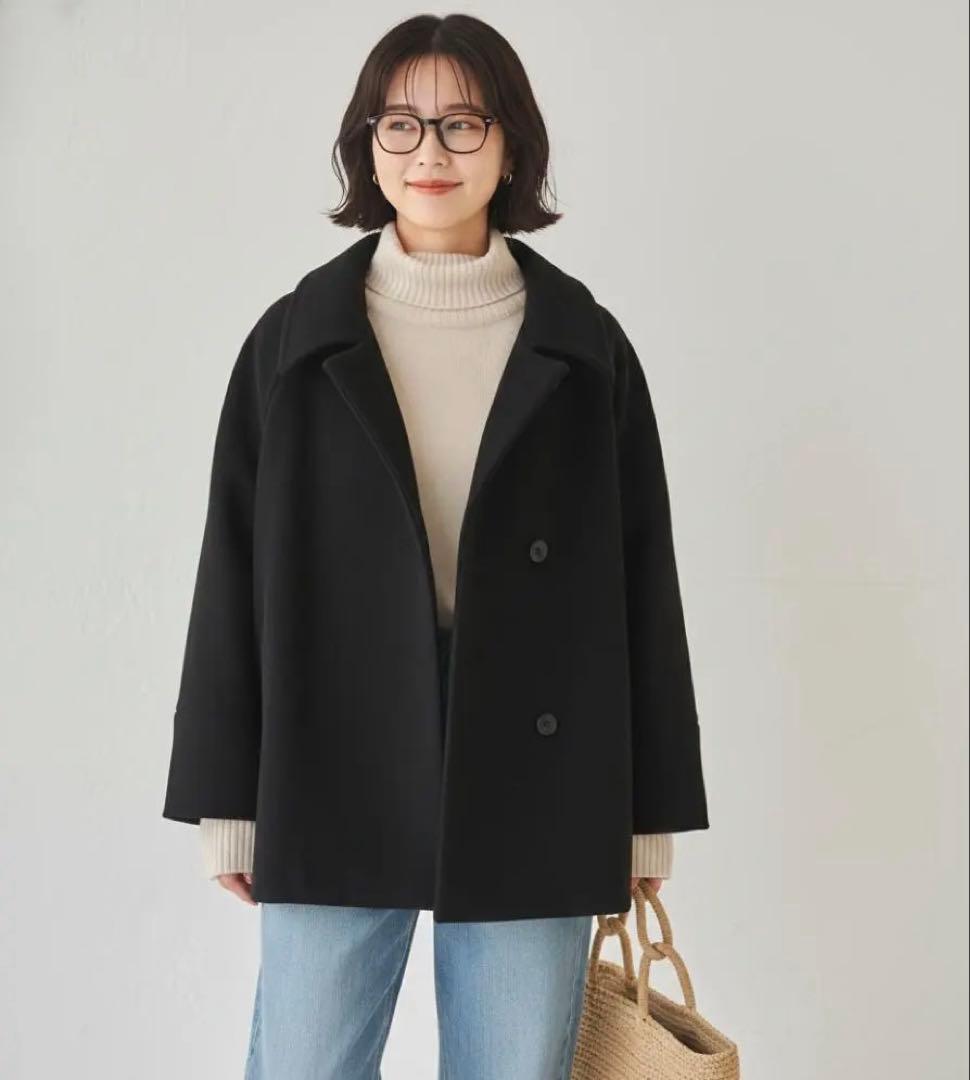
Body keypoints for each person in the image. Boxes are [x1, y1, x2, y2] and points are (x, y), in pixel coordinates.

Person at [162, 13, 709, 1079]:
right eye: (400, 124)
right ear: (366, 146)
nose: (430, 152)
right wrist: (227, 801)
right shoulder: (295, 340)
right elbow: (232, 575)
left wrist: (647, 815)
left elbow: (644, 586)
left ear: (510, 147)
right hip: (331, 752)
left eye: (463, 123)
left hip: (540, 761)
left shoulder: (584, 345)